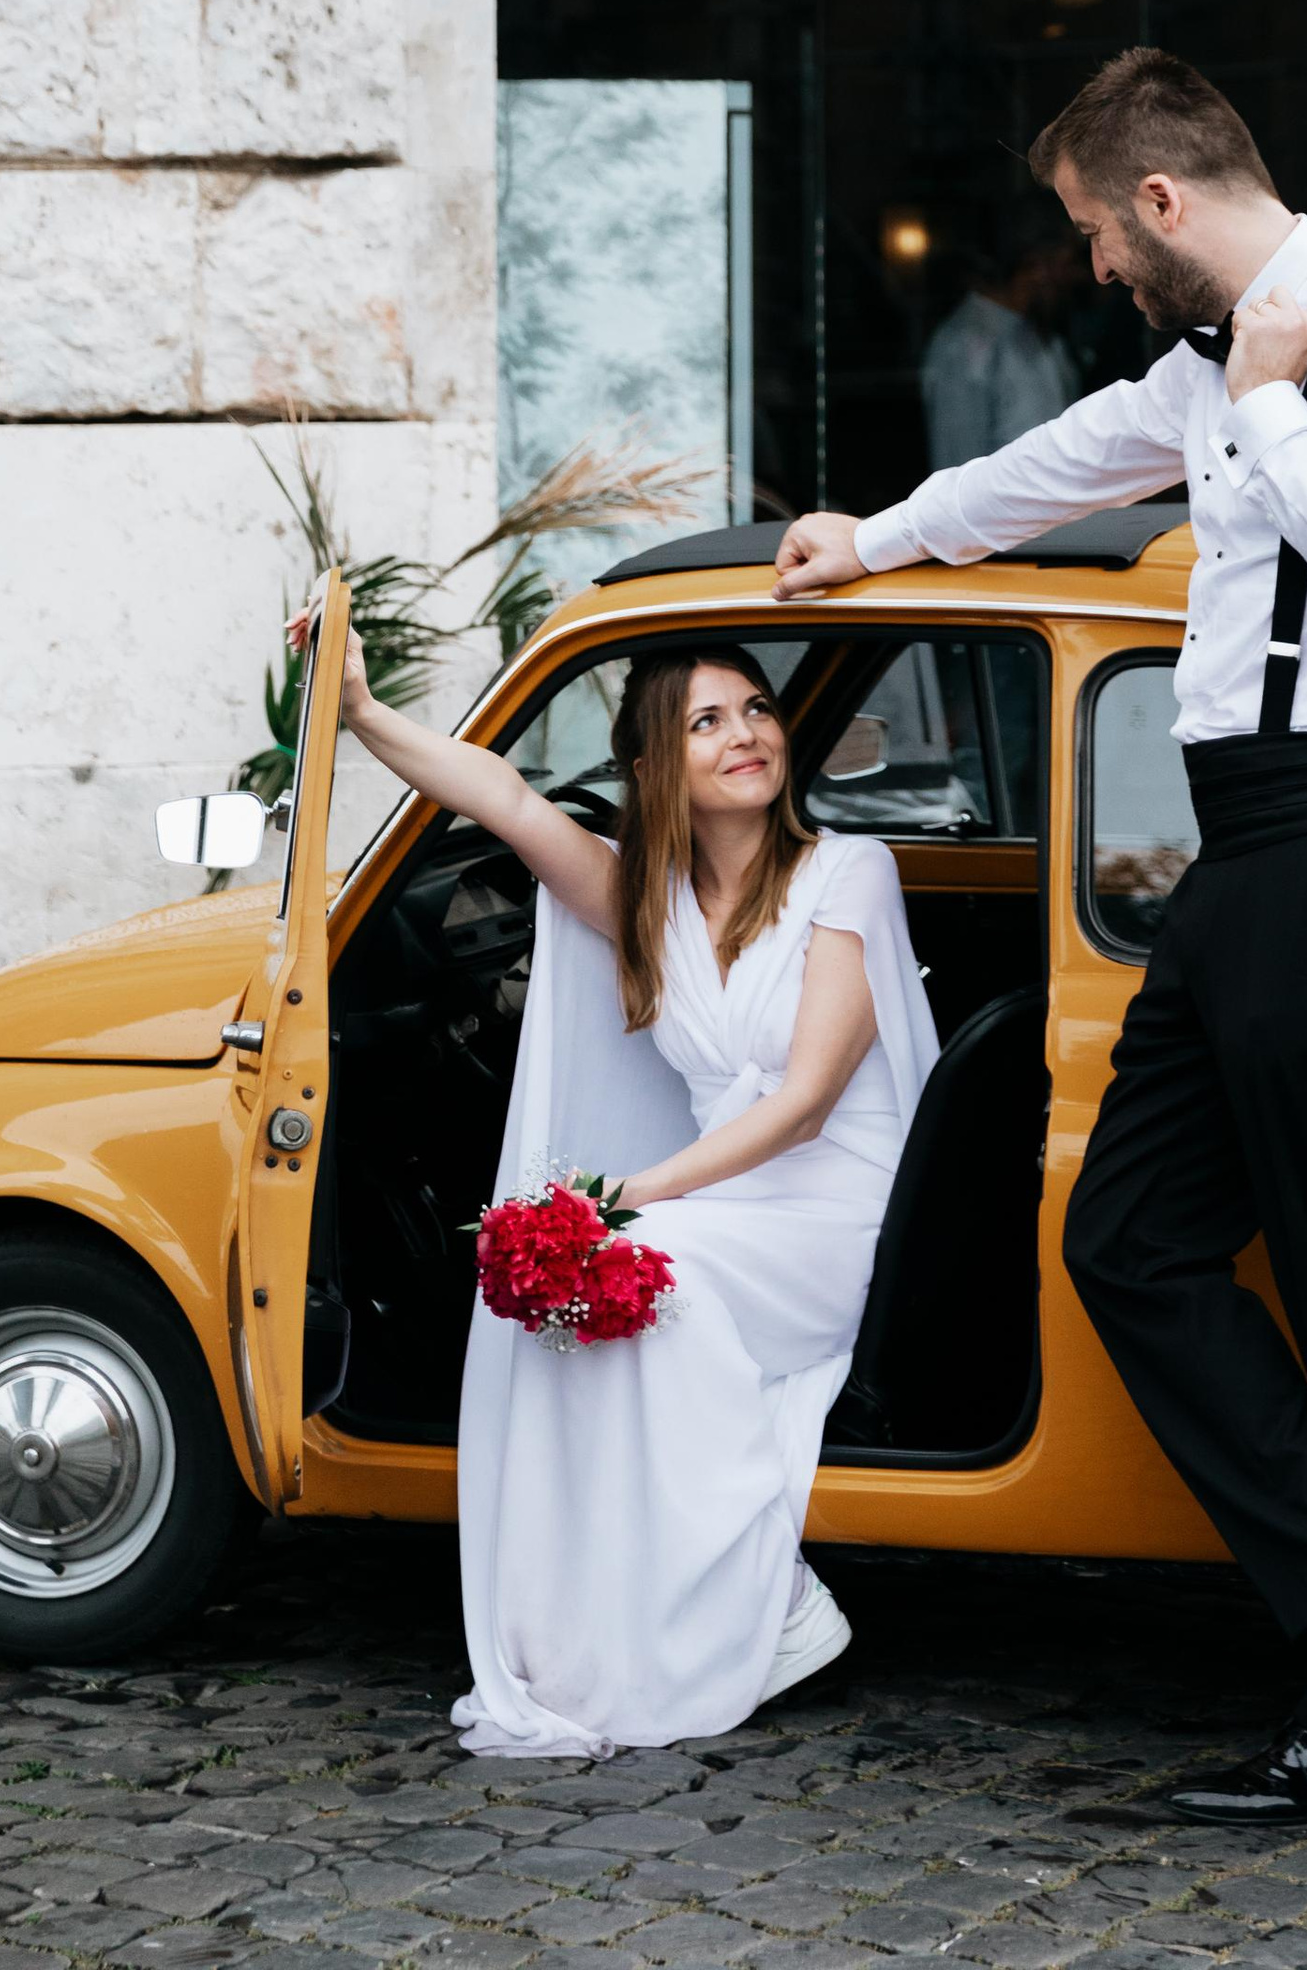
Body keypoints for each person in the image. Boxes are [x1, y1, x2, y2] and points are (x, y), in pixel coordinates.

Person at [775, 48, 1307, 1840]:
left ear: (1164, 204)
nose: (1096, 269)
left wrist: (1269, 408)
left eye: (1100, 234)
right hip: (1251, 863)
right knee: (1128, 1234)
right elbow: (1050, 468)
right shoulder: (1211, 364)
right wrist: (870, 537)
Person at [312, 607, 938, 1758]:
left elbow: (801, 1105)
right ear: (654, 768)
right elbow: (498, 798)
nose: (746, 734)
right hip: (724, 1206)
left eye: (754, 709)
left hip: (838, 1212)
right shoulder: (640, 903)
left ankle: (780, 1600)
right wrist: (357, 712)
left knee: (651, 1272)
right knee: (574, 1307)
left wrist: (627, 1195)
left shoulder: (851, 871)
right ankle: (607, 1615)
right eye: (706, 722)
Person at [918, 211, 1086, 468]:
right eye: (1068, 264)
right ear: (1036, 266)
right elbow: (957, 463)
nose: (1077, 276)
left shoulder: (1043, 337)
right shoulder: (965, 344)